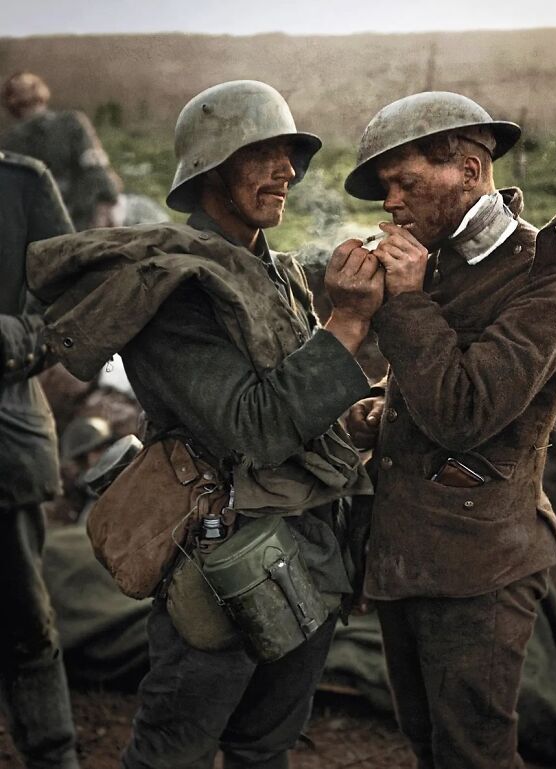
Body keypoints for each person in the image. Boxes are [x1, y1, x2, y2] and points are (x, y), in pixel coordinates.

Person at [25, 80, 384, 769]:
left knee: (264, 745)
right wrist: (346, 323)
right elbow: (252, 426)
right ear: (211, 168)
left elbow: (301, 403)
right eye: (265, 154)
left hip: (309, 554)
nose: (287, 170)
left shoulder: (273, 273)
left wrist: (358, 415)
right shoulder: (175, 287)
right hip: (226, 561)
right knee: (173, 752)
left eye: (290, 155)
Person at [343, 92, 556, 769]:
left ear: (471, 169)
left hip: (478, 569)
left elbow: (464, 409)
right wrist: (374, 412)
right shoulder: (443, 256)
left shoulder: (548, 282)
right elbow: (424, 388)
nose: (391, 203)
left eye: (407, 181)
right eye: (386, 188)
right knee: (430, 743)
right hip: (409, 557)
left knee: (473, 754)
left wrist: (403, 302)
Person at [0, 150, 80, 768]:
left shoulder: (21, 183)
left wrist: (9, 338)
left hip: (3, 449)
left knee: (23, 621)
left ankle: (52, 755)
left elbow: (72, 307)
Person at [1, 71, 122, 230]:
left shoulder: (8, 140)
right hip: (76, 219)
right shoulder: (71, 122)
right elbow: (96, 168)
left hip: (50, 223)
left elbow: (95, 168)